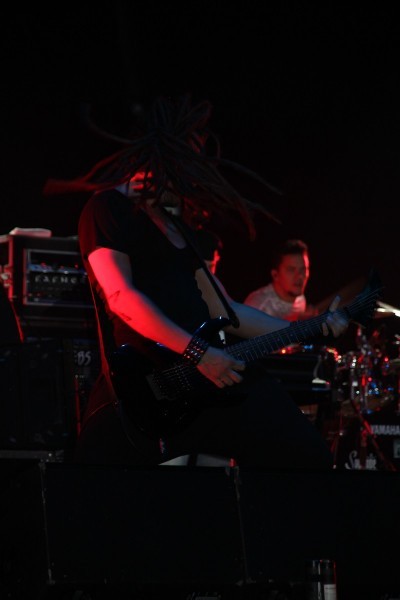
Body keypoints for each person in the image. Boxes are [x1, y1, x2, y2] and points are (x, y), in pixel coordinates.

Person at [44, 94, 349, 469]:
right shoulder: (107, 208)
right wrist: (199, 354)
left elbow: (229, 311)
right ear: (159, 157)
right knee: (107, 484)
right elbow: (122, 297)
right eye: (185, 164)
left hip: (205, 378)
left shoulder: (177, 226)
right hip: (149, 387)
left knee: (307, 454)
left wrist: (310, 329)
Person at [244, 239, 316, 321]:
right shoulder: (257, 306)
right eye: (291, 270)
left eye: (303, 269)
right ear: (275, 275)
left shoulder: (300, 298)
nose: (300, 276)